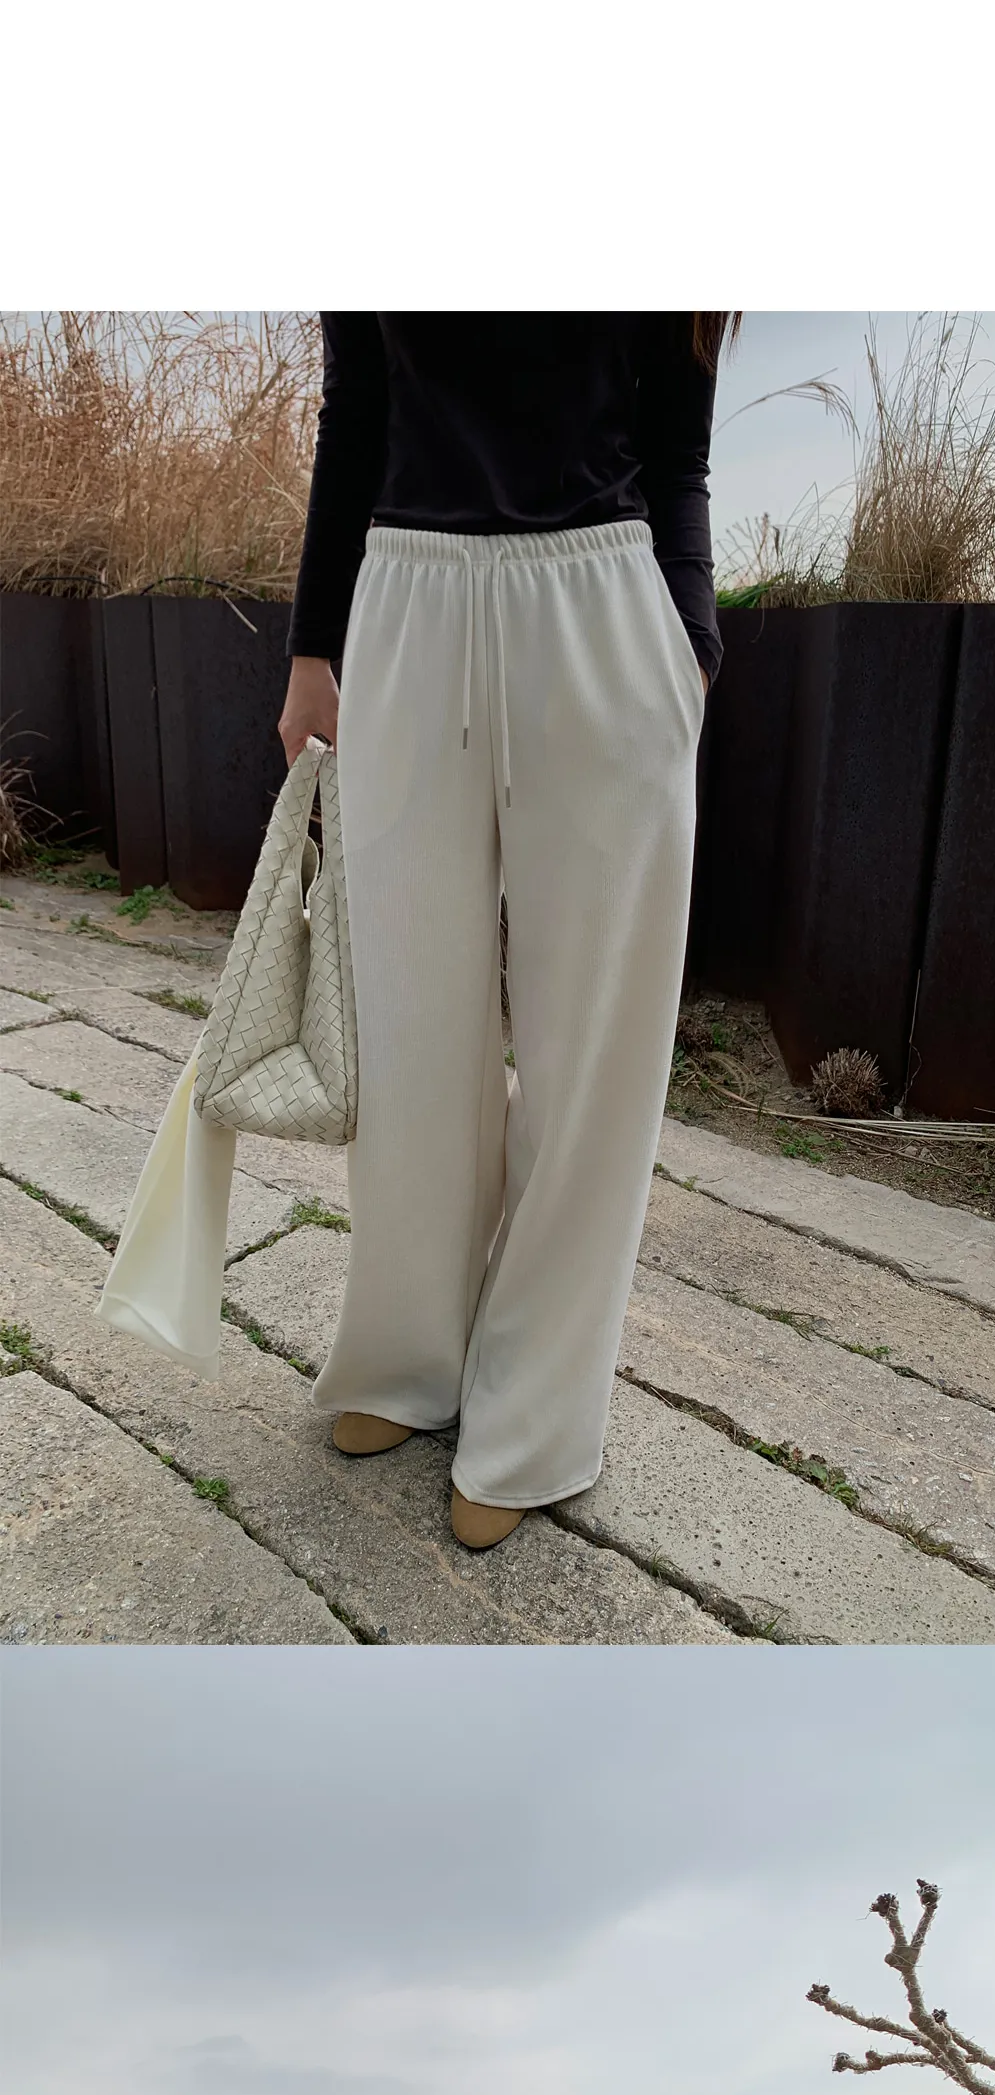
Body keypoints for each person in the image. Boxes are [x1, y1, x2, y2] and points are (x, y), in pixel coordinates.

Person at [279, 317, 736, 1548]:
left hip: (604, 611)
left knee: (590, 1060)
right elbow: (356, 401)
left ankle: (533, 1410)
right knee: (409, 1026)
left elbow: (677, 447)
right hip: (407, 601)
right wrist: (313, 644)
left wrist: (690, 643)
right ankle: (408, 1355)